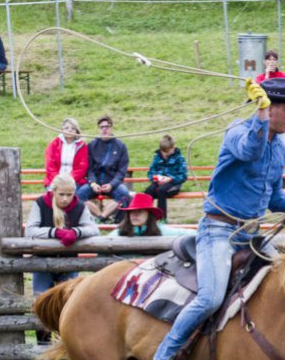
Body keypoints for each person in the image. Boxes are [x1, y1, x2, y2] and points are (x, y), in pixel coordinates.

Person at [146, 77, 285, 360]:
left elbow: (272, 192)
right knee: (209, 297)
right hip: (218, 230)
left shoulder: (278, 148)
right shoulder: (239, 132)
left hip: (249, 234)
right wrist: (260, 116)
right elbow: (251, 150)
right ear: (270, 107)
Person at [24, 174, 100, 343]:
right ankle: (42, 343)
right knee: (40, 302)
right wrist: (55, 233)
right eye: (61, 194)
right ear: (54, 191)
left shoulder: (79, 207)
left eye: (69, 194)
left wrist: (75, 232)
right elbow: (30, 230)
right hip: (42, 261)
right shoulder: (41, 203)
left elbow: (94, 229)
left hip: (68, 261)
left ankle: (67, 343)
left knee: (68, 302)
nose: (65, 199)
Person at [79, 115, 131, 221]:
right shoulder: (92, 145)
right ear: (98, 128)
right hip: (95, 183)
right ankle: (99, 217)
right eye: (101, 127)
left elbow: (122, 170)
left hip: (112, 182)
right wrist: (93, 183)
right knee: (78, 195)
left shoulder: (121, 146)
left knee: (124, 194)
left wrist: (112, 184)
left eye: (107, 126)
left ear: (111, 127)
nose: (104, 129)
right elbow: (89, 168)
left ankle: (114, 220)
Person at [256, 51, 285, 186]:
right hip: (266, 117)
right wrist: (267, 75)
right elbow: (260, 94)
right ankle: (267, 173)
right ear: (265, 62)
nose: (272, 62)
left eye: (274, 60)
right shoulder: (260, 78)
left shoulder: (283, 77)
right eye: (269, 60)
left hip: (281, 116)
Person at [144, 134, 188, 220]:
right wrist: (156, 177)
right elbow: (150, 172)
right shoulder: (157, 157)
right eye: (162, 152)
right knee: (148, 191)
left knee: (161, 191)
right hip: (158, 181)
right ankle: (147, 218)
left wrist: (170, 179)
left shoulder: (179, 158)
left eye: (167, 152)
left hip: (173, 183)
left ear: (173, 149)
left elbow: (183, 176)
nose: (164, 154)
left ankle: (161, 219)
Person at [111, 193, 192, 238]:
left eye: (139, 211)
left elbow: (189, 234)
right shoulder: (118, 233)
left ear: (149, 215)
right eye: (132, 212)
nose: (134, 215)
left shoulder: (163, 231)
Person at [43, 117, 89, 189]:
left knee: (72, 196)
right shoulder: (54, 144)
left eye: (73, 128)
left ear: (76, 131)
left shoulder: (82, 146)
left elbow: (82, 167)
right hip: (55, 180)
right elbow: (50, 165)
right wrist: (59, 180)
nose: (69, 130)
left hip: (75, 181)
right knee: (55, 196)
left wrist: (69, 180)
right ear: (62, 130)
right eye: (66, 128)